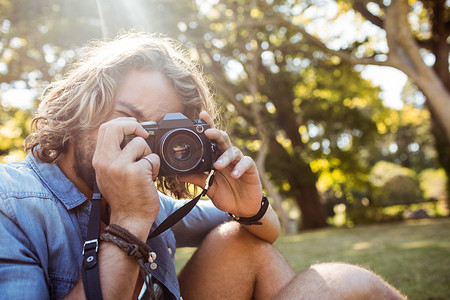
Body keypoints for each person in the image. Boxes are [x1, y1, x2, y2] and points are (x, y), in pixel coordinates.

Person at [0, 32, 406, 300]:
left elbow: (264, 231)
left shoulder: (151, 203)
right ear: (79, 108)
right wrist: (128, 222)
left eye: (157, 131)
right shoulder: (10, 203)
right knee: (350, 284)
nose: (139, 139)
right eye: (127, 115)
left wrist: (247, 204)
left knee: (244, 241)